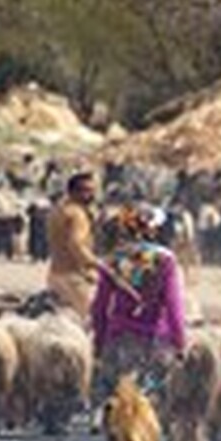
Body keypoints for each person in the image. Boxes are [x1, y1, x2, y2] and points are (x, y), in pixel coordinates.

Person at [90, 203, 187, 407]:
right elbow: (173, 304)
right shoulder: (165, 260)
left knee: (119, 401)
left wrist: (99, 342)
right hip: (156, 341)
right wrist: (179, 342)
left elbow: (100, 306)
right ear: (153, 229)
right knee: (153, 402)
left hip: (119, 341)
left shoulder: (113, 260)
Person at [46, 171, 99, 319]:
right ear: (74, 192)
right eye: (86, 191)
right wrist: (97, 265)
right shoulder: (77, 214)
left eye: (93, 191)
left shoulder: (58, 210)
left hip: (55, 274)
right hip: (74, 279)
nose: (91, 196)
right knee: (86, 321)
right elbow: (76, 245)